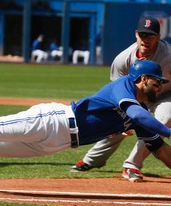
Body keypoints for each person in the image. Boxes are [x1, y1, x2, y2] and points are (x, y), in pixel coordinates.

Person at [0, 60, 171, 171]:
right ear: (143, 79)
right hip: (56, 120)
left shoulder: (141, 112)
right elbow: (137, 113)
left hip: (61, 142)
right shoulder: (123, 88)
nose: (160, 88)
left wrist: (163, 140)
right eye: (157, 82)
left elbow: (159, 149)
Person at [71, 17, 171, 182]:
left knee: (165, 118)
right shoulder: (123, 59)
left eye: (151, 36)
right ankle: (91, 160)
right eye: (143, 35)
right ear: (136, 35)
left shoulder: (169, 55)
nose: (146, 39)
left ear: (159, 37)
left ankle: (132, 165)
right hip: (137, 98)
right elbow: (117, 92)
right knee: (118, 125)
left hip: (166, 95)